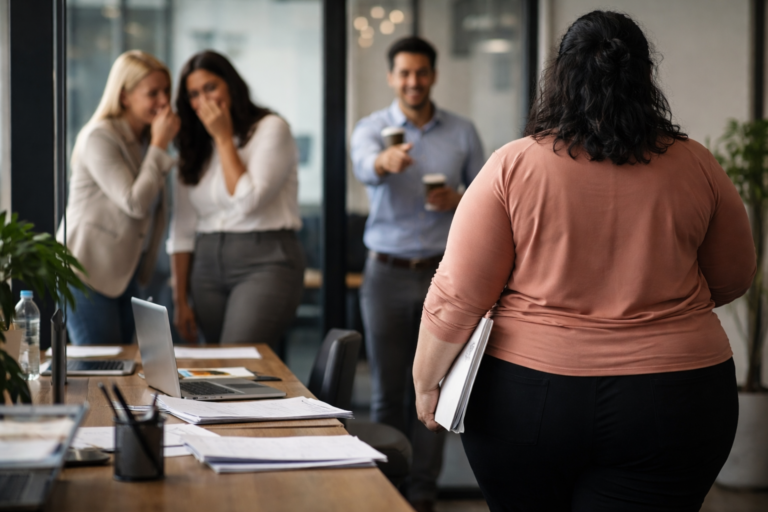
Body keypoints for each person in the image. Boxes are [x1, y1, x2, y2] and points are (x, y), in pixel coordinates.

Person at [413, 10, 756, 512]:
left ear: (561, 77)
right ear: (644, 77)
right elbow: (733, 277)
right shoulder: (697, 164)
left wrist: (426, 383)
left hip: (527, 402)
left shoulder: (513, 165)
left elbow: (459, 295)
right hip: (675, 400)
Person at [351, 37, 485, 512]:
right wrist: (385, 162)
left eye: (421, 72)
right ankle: (386, 488)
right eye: (404, 73)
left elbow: (487, 197)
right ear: (392, 77)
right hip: (384, 274)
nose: (412, 81)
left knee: (437, 391)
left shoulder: (462, 132)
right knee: (388, 391)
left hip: (445, 276)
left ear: (433, 75)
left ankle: (423, 492)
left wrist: (459, 198)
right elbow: (367, 164)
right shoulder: (372, 128)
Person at [168, 50, 304, 349]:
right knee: (216, 367)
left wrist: (223, 138)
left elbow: (247, 200)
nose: (204, 100)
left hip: (265, 261)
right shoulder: (193, 146)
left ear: (231, 84)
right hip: (205, 265)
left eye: (211, 87)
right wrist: (180, 301)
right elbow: (182, 227)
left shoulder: (270, 129)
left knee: (237, 358)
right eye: (194, 94)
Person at [59, 50, 179, 345]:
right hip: (87, 270)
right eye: (153, 93)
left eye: (166, 91)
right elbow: (135, 203)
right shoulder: (100, 136)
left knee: (123, 364)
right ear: (124, 96)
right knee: (100, 364)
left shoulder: (143, 141)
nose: (164, 101)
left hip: (125, 273)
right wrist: (160, 145)